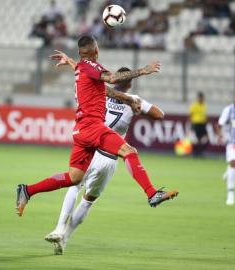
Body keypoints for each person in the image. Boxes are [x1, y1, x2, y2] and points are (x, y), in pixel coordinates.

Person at [15, 36, 178, 219]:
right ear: (96, 51)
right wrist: (143, 70)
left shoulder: (80, 68)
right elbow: (113, 78)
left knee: (74, 178)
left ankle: (27, 190)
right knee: (129, 151)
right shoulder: (92, 66)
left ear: (80, 53)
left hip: (80, 130)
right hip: (93, 126)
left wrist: (69, 60)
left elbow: (90, 76)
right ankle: (151, 193)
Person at [45, 65, 165, 255]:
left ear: (116, 79)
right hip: (110, 159)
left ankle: (59, 229)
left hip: (93, 148)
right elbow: (160, 115)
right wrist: (140, 108)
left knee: (74, 186)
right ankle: (66, 238)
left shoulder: (101, 92)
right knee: (88, 200)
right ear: (130, 84)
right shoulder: (134, 100)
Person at [189, 92, 208, 157]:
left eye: (202, 98)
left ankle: (200, 152)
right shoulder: (194, 105)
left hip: (202, 124)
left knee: (205, 139)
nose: (201, 99)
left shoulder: (204, 105)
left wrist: (205, 122)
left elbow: (204, 115)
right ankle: (196, 153)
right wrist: (191, 126)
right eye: (200, 98)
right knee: (196, 140)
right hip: (195, 124)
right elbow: (190, 115)